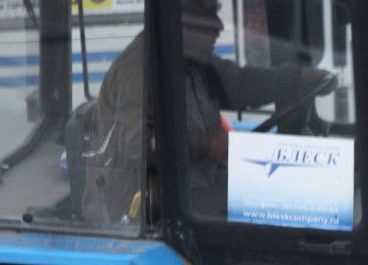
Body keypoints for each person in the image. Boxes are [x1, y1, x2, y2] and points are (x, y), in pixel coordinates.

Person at [80, 0, 334, 222]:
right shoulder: (141, 69)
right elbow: (137, 148)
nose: (219, 27)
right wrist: (207, 144)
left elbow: (242, 83)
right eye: (209, 16)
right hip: (145, 209)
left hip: (192, 190)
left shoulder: (192, 62)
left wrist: (300, 79)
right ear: (180, 19)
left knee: (290, 193)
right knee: (272, 204)